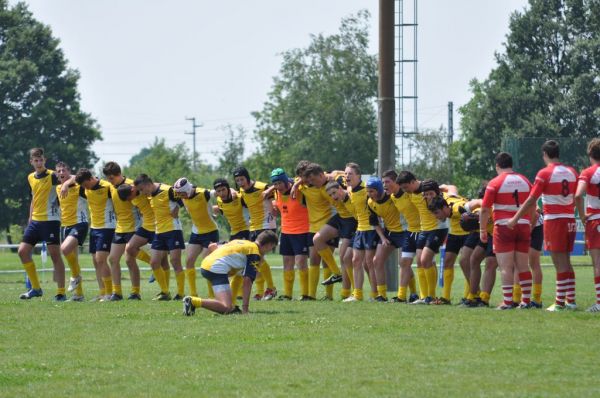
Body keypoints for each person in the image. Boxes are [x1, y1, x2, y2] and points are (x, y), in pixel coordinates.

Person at [508, 140, 577, 311]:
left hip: (554, 220)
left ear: (545, 155)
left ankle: (560, 303)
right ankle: (571, 300)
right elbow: (576, 196)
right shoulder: (572, 172)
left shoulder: (544, 173)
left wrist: (515, 218)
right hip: (570, 219)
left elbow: (532, 199)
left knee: (559, 262)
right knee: (567, 261)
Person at [480, 152, 534, 310]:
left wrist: (483, 229)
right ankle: (526, 301)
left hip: (503, 226)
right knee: (523, 266)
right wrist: (529, 223)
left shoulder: (495, 182)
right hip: (523, 224)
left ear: (497, 166)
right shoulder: (525, 181)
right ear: (511, 165)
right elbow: (532, 204)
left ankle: (508, 301)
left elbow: (484, 209)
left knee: (506, 267)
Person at [182, 231, 279, 315]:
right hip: (216, 269)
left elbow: (213, 246)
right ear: (268, 245)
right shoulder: (254, 252)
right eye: (272, 247)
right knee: (226, 307)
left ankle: (230, 306)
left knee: (229, 307)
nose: (270, 251)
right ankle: (192, 301)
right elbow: (247, 281)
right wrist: (245, 308)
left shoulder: (243, 242)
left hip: (206, 266)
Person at [18, 148, 67, 300]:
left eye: (41, 160)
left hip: (51, 221)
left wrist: (65, 186)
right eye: (36, 160)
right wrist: (30, 217)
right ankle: (36, 288)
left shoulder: (52, 175)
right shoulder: (30, 177)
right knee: (23, 251)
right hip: (35, 221)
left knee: (55, 256)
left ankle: (61, 292)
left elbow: (70, 178)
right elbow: (34, 197)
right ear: (31, 162)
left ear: (44, 160)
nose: (38, 163)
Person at [396, 171, 449, 304]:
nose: (405, 190)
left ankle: (431, 296)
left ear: (413, 182)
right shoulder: (411, 194)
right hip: (423, 230)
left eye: (406, 187)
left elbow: (447, 190)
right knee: (420, 262)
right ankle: (423, 296)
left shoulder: (428, 188)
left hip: (437, 229)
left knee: (426, 260)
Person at [134, 174, 185, 301]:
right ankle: (165, 292)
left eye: (141, 189)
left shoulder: (168, 190)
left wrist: (178, 208)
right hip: (159, 232)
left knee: (175, 261)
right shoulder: (150, 195)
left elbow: (183, 198)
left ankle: (181, 293)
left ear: (147, 184)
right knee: (154, 262)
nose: (141, 193)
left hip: (173, 230)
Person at [300, 163, 346, 300]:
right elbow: (290, 181)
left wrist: (338, 173)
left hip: (330, 223)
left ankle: (329, 295)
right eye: (304, 178)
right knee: (313, 260)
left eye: (309, 178)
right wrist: (296, 185)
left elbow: (342, 174)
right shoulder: (303, 186)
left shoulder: (330, 182)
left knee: (328, 261)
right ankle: (311, 295)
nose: (307, 181)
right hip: (312, 227)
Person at [103, 161, 147, 301]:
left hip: (134, 227)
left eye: (111, 178)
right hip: (120, 227)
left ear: (118, 174)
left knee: (129, 260)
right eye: (108, 178)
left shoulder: (132, 186)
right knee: (113, 259)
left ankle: (135, 292)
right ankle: (117, 293)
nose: (109, 181)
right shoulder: (110, 186)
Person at [116, 182, 168, 300]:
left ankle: (165, 292)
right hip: (146, 227)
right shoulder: (132, 196)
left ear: (133, 191)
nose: (130, 200)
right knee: (129, 248)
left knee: (163, 261)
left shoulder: (144, 190)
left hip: (157, 227)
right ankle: (152, 264)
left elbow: (154, 187)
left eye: (129, 198)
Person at [233, 166, 278, 300]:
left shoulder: (262, 186)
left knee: (259, 258)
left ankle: (271, 288)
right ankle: (260, 292)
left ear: (247, 177)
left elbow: (280, 187)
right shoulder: (241, 191)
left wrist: (271, 191)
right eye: (237, 180)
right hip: (253, 226)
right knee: (255, 260)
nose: (240, 182)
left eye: (242, 179)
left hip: (266, 225)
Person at [428, 194, 480, 305]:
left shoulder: (459, 207)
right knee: (447, 262)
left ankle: (471, 295)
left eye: (436, 213)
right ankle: (445, 298)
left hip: (468, 233)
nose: (435, 216)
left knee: (465, 262)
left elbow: (477, 202)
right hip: (454, 233)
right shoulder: (445, 200)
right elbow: (450, 187)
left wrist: (481, 214)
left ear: (445, 208)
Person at [174, 177, 220, 299]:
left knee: (207, 261)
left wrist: (230, 191)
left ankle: (212, 295)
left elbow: (218, 191)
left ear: (188, 190)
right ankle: (193, 294)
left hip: (211, 232)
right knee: (189, 261)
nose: (180, 196)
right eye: (178, 194)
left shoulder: (203, 193)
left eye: (181, 193)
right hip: (196, 232)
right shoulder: (183, 198)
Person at [75, 168, 115, 301]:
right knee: (95, 261)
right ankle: (102, 292)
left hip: (107, 227)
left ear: (91, 179)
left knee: (101, 259)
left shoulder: (107, 187)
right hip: (94, 228)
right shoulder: (85, 188)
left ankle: (110, 293)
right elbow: (70, 177)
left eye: (86, 185)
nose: (85, 188)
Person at [271, 168, 310, 300]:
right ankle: (287, 294)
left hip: (301, 231)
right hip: (286, 232)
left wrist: (296, 184)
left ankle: (305, 294)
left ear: (285, 181)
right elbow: (277, 214)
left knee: (301, 262)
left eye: (279, 183)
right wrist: (271, 206)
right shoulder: (276, 193)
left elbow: (306, 178)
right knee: (287, 263)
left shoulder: (298, 189)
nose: (277, 186)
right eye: (275, 184)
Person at [381, 170, 419, 303]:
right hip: (408, 231)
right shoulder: (392, 198)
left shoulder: (409, 194)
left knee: (422, 262)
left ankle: (424, 295)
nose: (384, 185)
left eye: (387, 182)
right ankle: (405, 295)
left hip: (420, 231)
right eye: (383, 182)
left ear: (396, 183)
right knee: (404, 263)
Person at [366, 176, 406, 302]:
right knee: (376, 261)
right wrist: (383, 238)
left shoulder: (391, 197)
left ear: (378, 189)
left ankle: (410, 294)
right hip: (389, 233)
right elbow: (374, 223)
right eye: (368, 191)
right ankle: (381, 295)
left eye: (372, 191)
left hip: (404, 232)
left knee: (404, 263)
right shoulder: (370, 203)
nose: (369, 194)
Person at [343, 162, 379, 302]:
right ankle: (357, 294)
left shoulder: (366, 190)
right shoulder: (350, 190)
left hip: (370, 229)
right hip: (360, 229)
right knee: (355, 260)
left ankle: (376, 294)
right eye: (346, 173)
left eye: (350, 173)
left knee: (369, 263)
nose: (347, 176)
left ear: (358, 175)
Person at [56, 161, 88, 301]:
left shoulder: (77, 184)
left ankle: (75, 277)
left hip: (79, 223)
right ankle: (78, 295)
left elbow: (79, 176)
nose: (61, 173)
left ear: (69, 172)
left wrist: (66, 184)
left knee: (64, 249)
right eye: (59, 171)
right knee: (72, 260)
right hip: (65, 226)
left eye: (64, 170)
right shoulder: (57, 187)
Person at [575, 138, 600, 312]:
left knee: (598, 262)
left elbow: (578, 196)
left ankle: (599, 303)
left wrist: (583, 216)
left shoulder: (588, 172)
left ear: (590, 154)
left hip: (595, 220)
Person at [324, 180, 357, 300]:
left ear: (339, 188)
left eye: (334, 193)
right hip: (344, 221)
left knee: (346, 257)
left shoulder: (350, 194)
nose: (333, 197)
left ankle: (354, 292)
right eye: (330, 195)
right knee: (345, 258)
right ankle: (346, 290)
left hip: (355, 225)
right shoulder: (340, 197)